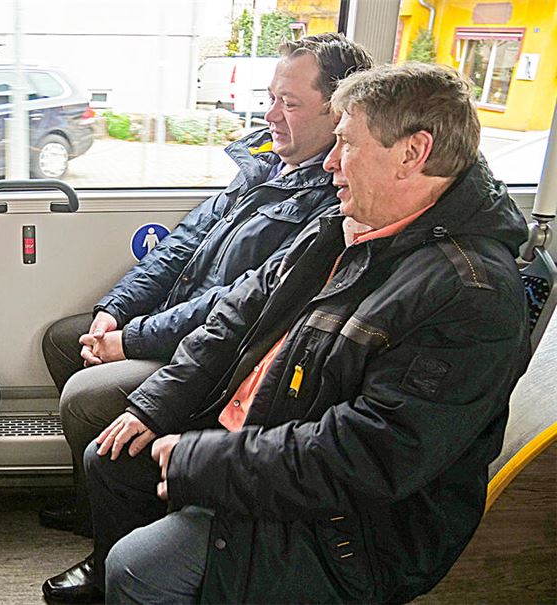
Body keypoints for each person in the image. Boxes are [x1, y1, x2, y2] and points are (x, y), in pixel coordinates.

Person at [43, 62, 532, 604]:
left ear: (411, 153)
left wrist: (203, 461)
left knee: (141, 568)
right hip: (266, 438)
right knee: (110, 458)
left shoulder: (469, 294)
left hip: (351, 528)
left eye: (346, 144)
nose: (330, 164)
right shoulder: (347, 228)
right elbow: (236, 313)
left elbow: (369, 455)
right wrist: (157, 404)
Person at [39, 33, 374, 537]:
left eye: (289, 103)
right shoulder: (263, 166)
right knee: (64, 338)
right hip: (183, 321)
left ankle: (117, 527)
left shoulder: (332, 201)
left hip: (220, 349)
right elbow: (182, 245)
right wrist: (115, 310)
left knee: (86, 396)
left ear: (338, 113)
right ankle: (95, 500)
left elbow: (237, 304)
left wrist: (131, 340)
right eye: (269, 98)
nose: (270, 116)